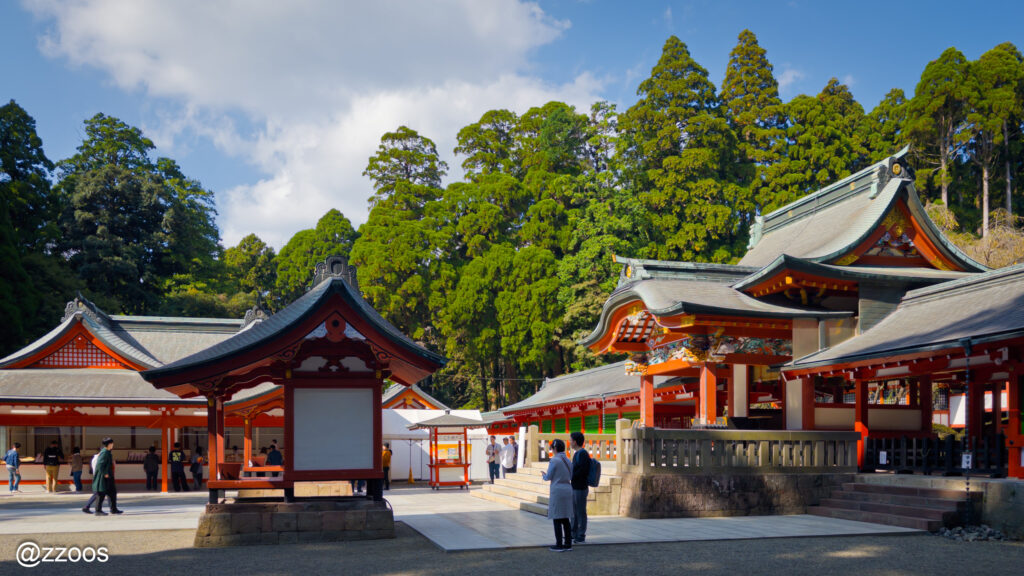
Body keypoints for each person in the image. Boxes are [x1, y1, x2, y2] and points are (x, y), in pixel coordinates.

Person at [541, 438, 573, 552]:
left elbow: (548, 476)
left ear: (554, 448)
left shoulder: (554, 460)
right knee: (565, 518)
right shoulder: (568, 460)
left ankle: (559, 544)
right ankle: (568, 543)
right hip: (567, 488)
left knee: (557, 517)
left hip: (557, 489)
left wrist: (543, 475)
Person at [569, 432, 591, 544]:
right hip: (575, 486)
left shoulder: (582, 454)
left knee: (580, 511)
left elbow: (583, 470)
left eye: (571, 440)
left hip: (580, 487)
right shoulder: (577, 453)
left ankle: (581, 534)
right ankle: (573, 532)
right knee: (574, 511)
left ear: (575, 442)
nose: (569, 442)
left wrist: (572, 475)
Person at [90, 437, 122, 515]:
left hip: (109, 475)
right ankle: (98, 510)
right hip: (103, 477)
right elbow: (100, 465)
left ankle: (113, 509)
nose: (113, 445)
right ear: (109, 444)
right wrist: (105, 473)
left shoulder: (108, 452)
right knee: (101, 493)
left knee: (112, 492)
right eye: (112, 443)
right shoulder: (104, 452)